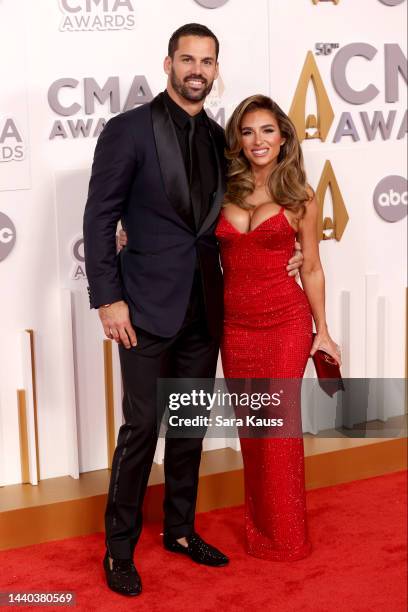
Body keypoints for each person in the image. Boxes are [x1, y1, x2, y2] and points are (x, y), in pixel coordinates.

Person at [84, 24, 303, 597]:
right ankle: (119, 549)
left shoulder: (218, 140)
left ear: (215, 68)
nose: (197, 69)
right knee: (140, 430)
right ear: (168, 63)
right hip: (143, 310)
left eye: (207, 61)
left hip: (206, 310)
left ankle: (180, 531)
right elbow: (99, 217)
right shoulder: (127, 131)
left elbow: (247, 208)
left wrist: (294, 250)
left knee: (187, 429)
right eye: (187, 59)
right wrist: (109, 297)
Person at [215, 94, 341, 560]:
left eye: (267, 130)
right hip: (236, 326)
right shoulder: (223, 189)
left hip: (285, 322)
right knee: (253, 429)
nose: (257, 140)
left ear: (284, 136)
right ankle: (260, 532)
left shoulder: (299, 195)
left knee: (280, 427)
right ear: (238, 140)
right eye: (247, 132)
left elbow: (310, 266)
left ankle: (287, 539)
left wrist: (322, 330)